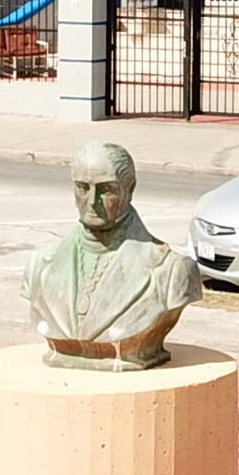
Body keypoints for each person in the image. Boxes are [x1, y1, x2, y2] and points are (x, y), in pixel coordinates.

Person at [21, 141, 203, 370]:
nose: (91, 201)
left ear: (129, 190)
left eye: (106, 189)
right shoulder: (39, 264)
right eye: (82, 187)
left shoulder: (173, 271)